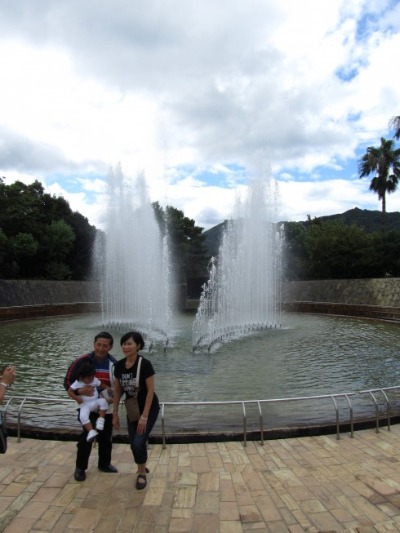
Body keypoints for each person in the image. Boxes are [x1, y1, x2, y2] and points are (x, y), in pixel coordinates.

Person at [64, 332, 118, 482]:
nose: (101, 348)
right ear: (94, 344)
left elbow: (117, 385)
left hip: (103, 405)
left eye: (105, 346)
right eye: (98, 345)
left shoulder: (114, 364)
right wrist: (79, 391)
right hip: (86, 406)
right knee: (86, 437)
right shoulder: (81, 362)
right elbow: (67, 381)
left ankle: (104, 464)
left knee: (106, 436)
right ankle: (80, 468)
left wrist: (114, 398)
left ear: (110, 347)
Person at [112, 331, 159, 490]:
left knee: (139, 442)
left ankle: (141, 473)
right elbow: (118, 391)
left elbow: (151, 391)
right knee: (133, 443)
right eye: (124, 344)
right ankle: (142, 464)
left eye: (129, 343)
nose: (126, 347)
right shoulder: (118, 366)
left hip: (148, 408)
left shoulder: (145, 364)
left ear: (138, 346)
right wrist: (115, 414)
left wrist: (144, 417)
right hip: (132, 408)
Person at [68, 361, 111, 442]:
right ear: (81, 377)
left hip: (95, 402)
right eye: (88, 379)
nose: (91, 380)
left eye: (92, 377)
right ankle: (91, 431)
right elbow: (70, 392)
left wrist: (108, 388)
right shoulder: (77, 383)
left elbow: (101, 384)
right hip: (85, 405)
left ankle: (101, 419)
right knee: (83, 417)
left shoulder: (94, 380)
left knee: (103, 402)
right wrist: (77, 398)